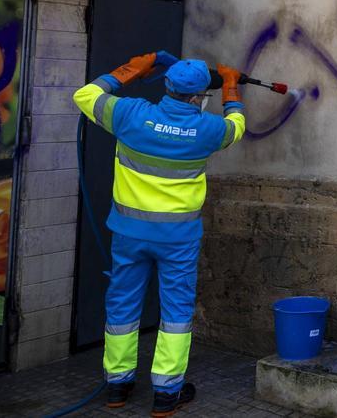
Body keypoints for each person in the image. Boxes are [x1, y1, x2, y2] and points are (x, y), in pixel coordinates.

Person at [73, 52, 246, 416]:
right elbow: (237, 125)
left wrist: (133, 68)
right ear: (201, 96)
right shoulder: (209, 130)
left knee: (121, 303)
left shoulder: (130, 114)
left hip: (129, 234)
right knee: (176, 312)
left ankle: (117, 385)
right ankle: (166, 393)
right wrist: (230, 83)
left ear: (166, 85)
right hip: (178, 239)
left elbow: (85, 96)